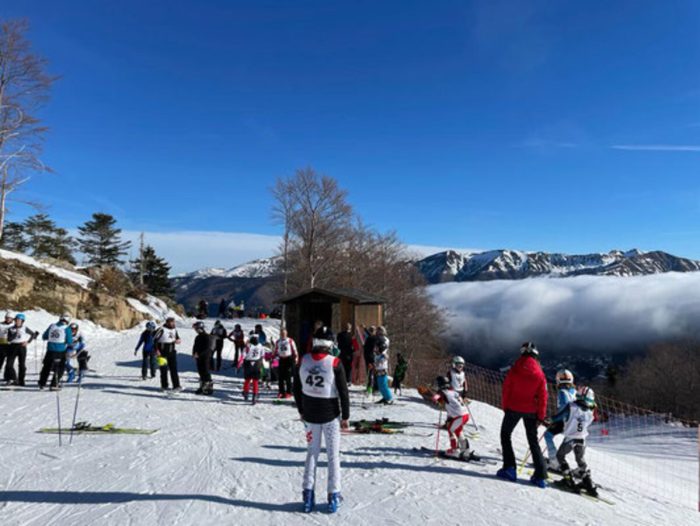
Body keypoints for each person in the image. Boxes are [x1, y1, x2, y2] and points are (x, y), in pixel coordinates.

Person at [293, 336, 350, 514]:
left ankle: (308, 496)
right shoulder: (334, 362)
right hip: (330, 415)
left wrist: (301, 409)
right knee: (333, 455)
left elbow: (296, 387)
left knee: (312, 453)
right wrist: (346, 416)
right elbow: (343, 391)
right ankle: (333, 496)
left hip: (309, 414)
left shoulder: (303, 359)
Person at [496, 342, 548, 488]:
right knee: (533, 441)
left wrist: (505, 406)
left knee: (505, 435)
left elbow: (506, 388)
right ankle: (540, 476)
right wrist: (541, 415)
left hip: (513, 407)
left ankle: (509, 469)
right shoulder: (539, 372)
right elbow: (544, 395)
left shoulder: (515, 368)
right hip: (531, 411)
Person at [552, 386, 598, 496]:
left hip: (570, 438)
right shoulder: (591, 411)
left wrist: (551, 420)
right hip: (582, 438)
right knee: (580, 460)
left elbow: (559, 416)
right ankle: (588, 483)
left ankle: (568, 479)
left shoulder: (572, 406)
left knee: (560, 456)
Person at [433, 376, 477, 460]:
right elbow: (454, 405)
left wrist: (437, 400)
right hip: (465, 415)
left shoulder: (443, 392)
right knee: (458, 430)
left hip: (459, 416)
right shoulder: (453, 392)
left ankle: (454, 450)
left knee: (451, 429)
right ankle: (465, 450)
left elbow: (435, 398)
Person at [544, 369, 577, 469]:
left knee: (547, 435)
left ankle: (554, 460)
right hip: (574, 421)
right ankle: (559, 459)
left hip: (564, 421)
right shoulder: (574, 392)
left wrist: (553, 420)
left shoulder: (562, 392)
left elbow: (564, 409)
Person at [39, 313, 74, 390]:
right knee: (60, 368)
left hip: (50, 350)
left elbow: (44, 336)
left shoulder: (52, 326)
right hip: (60, 351)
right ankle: (54, 384)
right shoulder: (66, 328)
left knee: (46, 367)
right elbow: (69, 341)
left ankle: (42, 383)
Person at [6, 313, 38, 387]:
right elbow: (9, 339)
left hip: (21, 346)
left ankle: (21, 380)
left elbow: (33, 335)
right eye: (16, 320)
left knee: (22, 365)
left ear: (22, 321)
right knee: (9, 365)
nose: (17, 321)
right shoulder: (11, 328)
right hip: (13, 346)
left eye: (19, 320)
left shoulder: (25, 328)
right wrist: (14, 334)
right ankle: (14, 378)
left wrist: (28, 342)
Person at [155, 317, 182, 391]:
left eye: (173, 322)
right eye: (171, 322)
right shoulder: (161, 329)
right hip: (162, 353)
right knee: (163, 370)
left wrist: (178, 340)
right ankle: (164, 386)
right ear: (167, 323)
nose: (173, 324)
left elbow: (177, 337)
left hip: (172, 352)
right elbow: (154, 339)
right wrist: (156, 350)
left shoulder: (174, 329)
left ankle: (176, 386)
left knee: (174, 369)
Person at [273, 328, 298, 399]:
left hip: (288, 359)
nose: (283, 335)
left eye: (284, 333)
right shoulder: (278, 341)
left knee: (288, 377)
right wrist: (273, 358)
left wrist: (296, 358)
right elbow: (275, 351)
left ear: (286, 334)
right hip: (281, 359)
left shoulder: (290, 341)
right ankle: (281, 392)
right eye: (282, 333)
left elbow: (295, 350)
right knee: (280, 377)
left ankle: (288, 392)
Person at [241, 332, 265, 404]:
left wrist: (240, 363)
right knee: (255, 381)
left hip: (248, 363)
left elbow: (243, 355)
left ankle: (246, 393)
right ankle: (254, 395)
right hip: (257, 363)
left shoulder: (248, 346)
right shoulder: (260, 345)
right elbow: (262, 354)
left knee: (247, 380)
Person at [192, 321, 214, 395]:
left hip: (205, 357)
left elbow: (207, 348)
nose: (196, 330)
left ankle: (209, 388)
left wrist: (199, 354)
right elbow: (195, 346)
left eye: (197, 328)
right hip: (198, 357)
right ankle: (202, 387)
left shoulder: (207, 336)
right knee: (200, 372)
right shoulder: (198, 337)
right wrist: (194, 353)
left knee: (205, 372)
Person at [373, 335, 393, 404]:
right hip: (378, 371)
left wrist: (380, 359)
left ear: (381, 348)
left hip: (383, 371)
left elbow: (383, 360)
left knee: (383, 386)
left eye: (377, 348)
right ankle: (385, 397)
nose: (375, 349)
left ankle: (389, 398)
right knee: (380, 386)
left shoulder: (383, 355)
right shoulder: (377, 354)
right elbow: (376, 362)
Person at [0, 311, 14, 382]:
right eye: (7, 318)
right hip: (1, 345)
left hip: (10, 346)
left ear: (12, 319)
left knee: (9, 363)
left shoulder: (14, 325)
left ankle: (7, 377)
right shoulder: (0, 324)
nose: (8, 319)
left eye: (10, 318)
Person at [363, 326, 377, 393]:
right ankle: (370, 388)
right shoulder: (372, 337)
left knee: (370, 373)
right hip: (370, 357)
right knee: (371, 373)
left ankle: (370, 388)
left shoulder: (371, 338)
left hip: (369, 357)